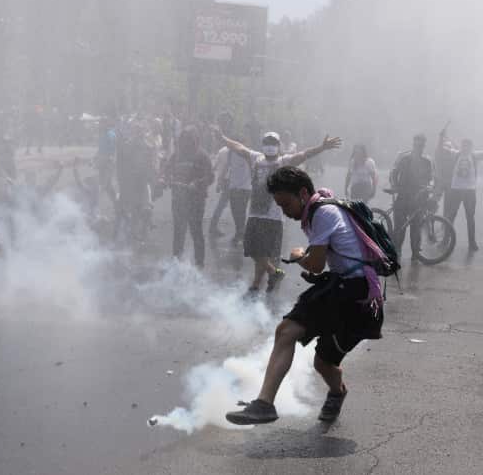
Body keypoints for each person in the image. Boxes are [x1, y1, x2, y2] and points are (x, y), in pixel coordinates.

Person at [225, 166, 384, 425]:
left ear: (302, 193)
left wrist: (299, 256)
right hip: (349, 289)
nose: (285, 212)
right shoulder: (321, 209)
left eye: (286, 204)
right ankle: (276, 402)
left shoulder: (322, 213)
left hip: (356, 295)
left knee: (318, 358)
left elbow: (315, 265)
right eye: (279, 205)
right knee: (302, 345)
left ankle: (272, 403)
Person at [219, 131, 342, 296]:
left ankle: (258, 284)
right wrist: (223, 138)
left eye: (273, 142)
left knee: (265, 252)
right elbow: (238, 147)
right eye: (267, 141)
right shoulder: (256, 158)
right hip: (255, 213)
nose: (270, 145)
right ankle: (272, 273)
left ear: (278, 145)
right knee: (254, 249)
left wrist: (322, 147)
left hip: (274, 216)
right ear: (263, 144)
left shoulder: (284, 161)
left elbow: (304, 155)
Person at [162, 125, 214, 267]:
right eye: (183, 139)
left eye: (189, 139)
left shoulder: (202, 156)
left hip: (196, 201)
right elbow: (167, 169)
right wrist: (165, 179)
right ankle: (176, 262)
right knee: (178, 232)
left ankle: (199, 264)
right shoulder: (177, 155)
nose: (185, 142)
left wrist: (196, 183)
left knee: (196, 231)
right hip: (178, 200)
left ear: (195, 140)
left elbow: (210, 177)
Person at [437, 132, 483, 251]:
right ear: (461, 146)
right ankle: (445, 240)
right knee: (450, 216)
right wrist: (441, 137)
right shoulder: (456, 154)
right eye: (464, 145)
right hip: (456, 190)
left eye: (467, 146)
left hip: (469, 191)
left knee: (470, 217)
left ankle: (472, 243)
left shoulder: (474, 155)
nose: (465, 148)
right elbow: (442, 149)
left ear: (471, 147)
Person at [389, 134, 434, 260]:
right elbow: (394, 173)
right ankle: (397, 252)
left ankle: (415, 254)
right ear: (413, 144)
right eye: (416, 144)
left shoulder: (427, 161)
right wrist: (395, 186)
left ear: (424, 146)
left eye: (421, 145)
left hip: (419, 198)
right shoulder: (404, 158)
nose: (419, 147)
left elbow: (431, 179)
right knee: (399, 227)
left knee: (416, 227)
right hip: (403, 195)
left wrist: (429, 188)